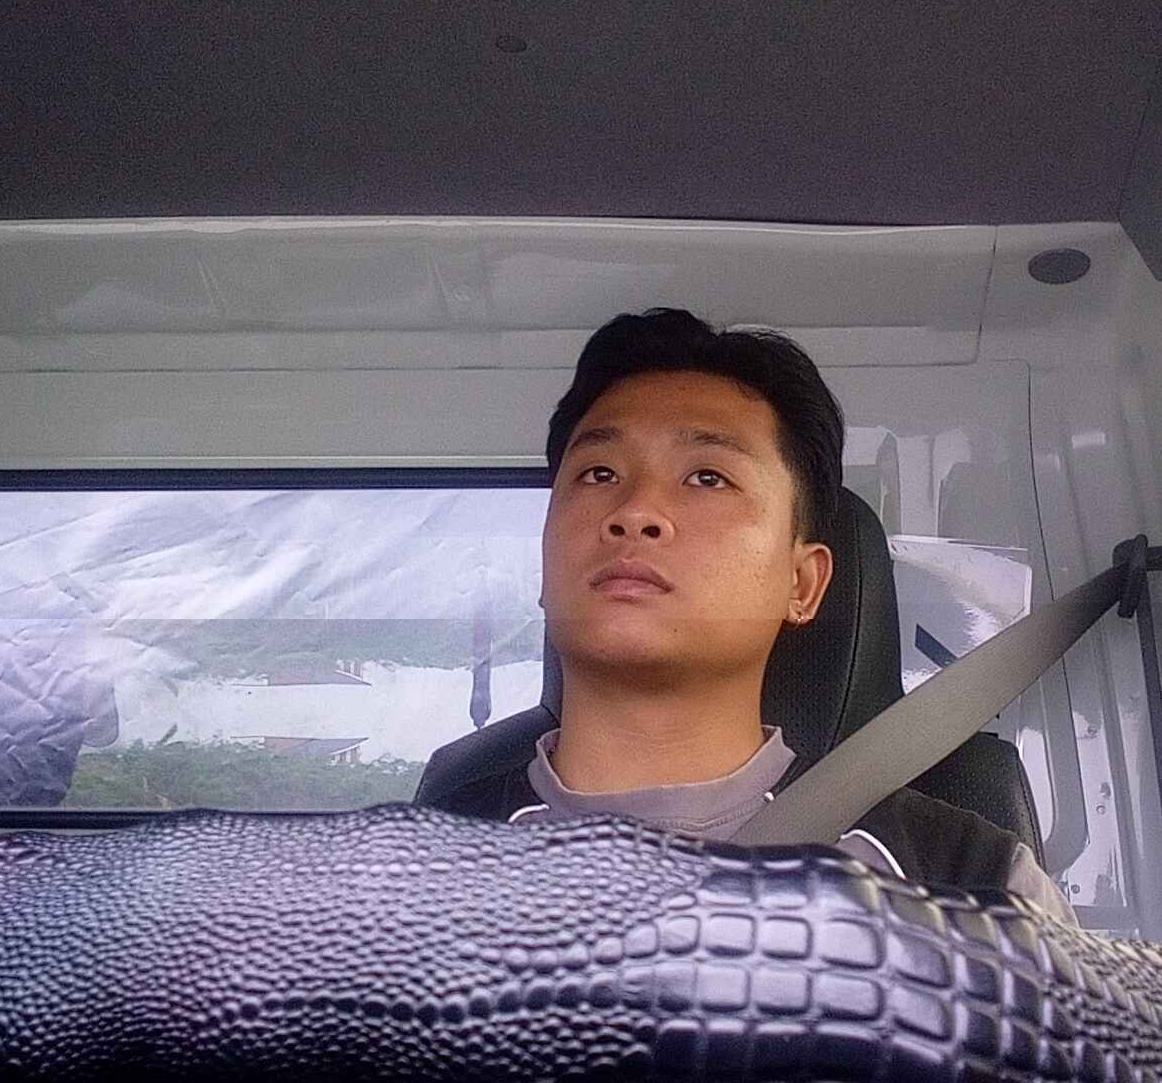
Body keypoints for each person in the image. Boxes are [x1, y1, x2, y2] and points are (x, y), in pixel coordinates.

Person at [432, 308, 1075, 922]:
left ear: (802, 583)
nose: (634, 512)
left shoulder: (977, 889)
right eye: (599, 473)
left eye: (707, 478)